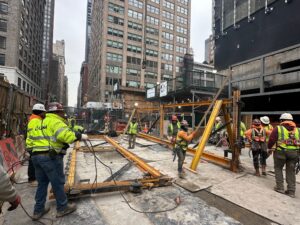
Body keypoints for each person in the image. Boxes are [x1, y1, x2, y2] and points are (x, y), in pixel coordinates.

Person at [30, 102, 88, 220]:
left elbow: (30, 141)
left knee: (42, 184)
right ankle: (62, 208)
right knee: (58, 183)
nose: (63, 113)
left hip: (36, 157)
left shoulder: (40, 122)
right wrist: (80, 136)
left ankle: (38, 210)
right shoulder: (55, 121)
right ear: (58, 112)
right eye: (62, 111)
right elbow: (65, 135)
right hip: (50, 157)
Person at [268, 113, 299, 198]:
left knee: (278, 168)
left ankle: (280, 188)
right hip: (294, 153)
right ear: (291, 120)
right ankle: (291, 191)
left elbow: (272, 139)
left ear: (281, 120)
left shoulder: (278, 128)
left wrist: (269, 148)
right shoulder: (298, 130)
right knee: (291, 171)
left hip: (280, 152)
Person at [25, 103, 47, 186]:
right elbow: (38, 134)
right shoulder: (36, 121)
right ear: (40, 112)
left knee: (33, 162)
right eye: (44, 112)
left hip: (31, 145)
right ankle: (32, 179)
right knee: (33, 163)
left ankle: (33, 178)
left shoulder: (33, 119)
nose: (45, 114)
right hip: (34, 146)